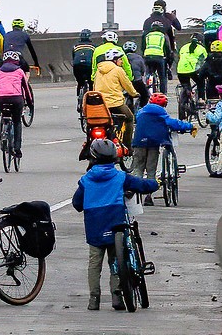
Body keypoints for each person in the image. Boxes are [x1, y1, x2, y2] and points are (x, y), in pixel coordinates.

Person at [71, 138, 159, 311]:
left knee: (95, 262)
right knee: (115, 260)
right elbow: (142, 185)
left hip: (94, 225)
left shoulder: (86, 180)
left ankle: (94, 298)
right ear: (114, 158)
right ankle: (117, 295)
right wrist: (156, 183)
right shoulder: (120, 176)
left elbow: (77, 204)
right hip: (115, 221)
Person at [130, 91, 191, 202]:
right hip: (153, 143)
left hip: (139, 142)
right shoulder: (161, 113)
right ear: (163, 105)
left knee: (138, 168)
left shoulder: (140, 112)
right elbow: (173, 123)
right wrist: (189, 126)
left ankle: (134, 195)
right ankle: (148, 196)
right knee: (151, 170)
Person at [92, 49, 140, 146]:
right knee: (130, 118)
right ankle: (127, 145)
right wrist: (134, 93)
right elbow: (127, 84)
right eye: (120, 60)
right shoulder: (118, 70)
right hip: (115, 103)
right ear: (114, 60)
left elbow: (94, 87)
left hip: (101, 104)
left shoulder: (98, 70)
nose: (121, 62)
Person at [0, 51, 33, 136]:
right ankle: (17, 146)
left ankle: (2, 137)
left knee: (4, 114)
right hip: (16, 98)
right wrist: (29, 103)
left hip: (0, 98)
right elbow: (26, 89)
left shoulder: (0, 72)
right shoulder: (19, 71)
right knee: (17, 121)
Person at [176, 31, 209, 102]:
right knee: (200, 83)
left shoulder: (184, 47)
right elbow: (206, 61)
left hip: (180, 70)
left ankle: (188, 93)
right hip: (194, 70)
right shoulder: (202, 49)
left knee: (186, 85)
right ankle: (201, 99)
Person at [141, 26, 172, 92]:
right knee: (162, 77)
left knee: (148, 72)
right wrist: (168, 57)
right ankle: (163, 93)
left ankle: (147, 89)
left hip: (148, 56)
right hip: (159, 57)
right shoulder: (162, 35)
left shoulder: (147, 35)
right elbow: (167, 48)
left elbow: (143, 47)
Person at [71, 30, 97, 96]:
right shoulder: (94, 46)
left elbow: (73, 57)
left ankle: (79, 96)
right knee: (91, 82)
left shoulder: (75, 46)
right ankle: (91, 96)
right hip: (89, 65)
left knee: (80, 82)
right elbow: (95, 58)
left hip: (77, 66)